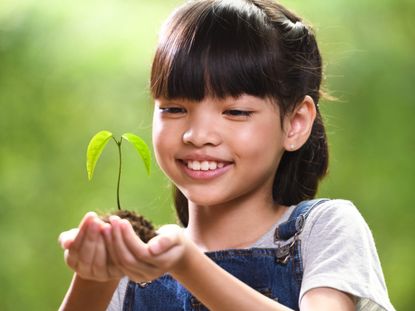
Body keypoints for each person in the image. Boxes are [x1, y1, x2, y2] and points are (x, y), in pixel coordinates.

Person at [58, 0, 395, 310]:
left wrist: (187, 264)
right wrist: (94, 276)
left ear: (295, 123)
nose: (197, 135)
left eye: (235, 112)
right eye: (174, 108)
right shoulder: (134, 265)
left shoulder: (322, 230)